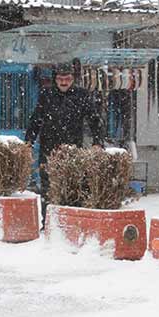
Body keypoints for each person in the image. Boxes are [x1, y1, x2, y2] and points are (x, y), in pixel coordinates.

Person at [25, 61, 104, 226]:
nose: (63, 82)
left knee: (74, 186)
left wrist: (98, 141)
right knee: (48, 187)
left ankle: (71, 223)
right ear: (55, 79)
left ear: (73, 79)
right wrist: (29, 142)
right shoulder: (46, 94)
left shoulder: (82, 95)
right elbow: (36, 120)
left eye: (67, 78)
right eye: (60, 78)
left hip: (73, 150)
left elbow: (94, 120)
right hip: (48, 150)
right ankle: (48, 223)